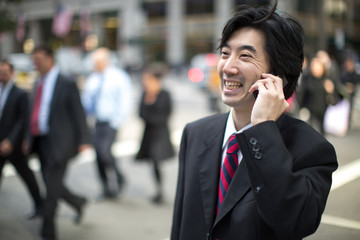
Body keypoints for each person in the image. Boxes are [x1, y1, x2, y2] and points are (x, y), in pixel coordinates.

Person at [170, 2, 338, 240]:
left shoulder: (311, 148)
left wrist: (262, 131)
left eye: (245, 56)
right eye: (225, 53)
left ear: (277, 73)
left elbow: (295, 222)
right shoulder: (195, 133)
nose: (228, 67)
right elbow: (181, 224)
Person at [27, 45, 91, 240]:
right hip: (41, 141)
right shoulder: (37, 82)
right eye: (33, 61)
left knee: (51, 187)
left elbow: (78, 112)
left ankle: (48, 231)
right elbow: (33, 113)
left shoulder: (66, 82)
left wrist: (84, 140)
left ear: (49, 58)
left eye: (38, 60)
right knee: (51, 183)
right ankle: (78, 202)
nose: (35, 64)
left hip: (61, 142)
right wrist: (27, 138)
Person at [82, 47, 133, 199]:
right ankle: (105, 187)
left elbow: (125, 101)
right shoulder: (93, 79)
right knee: (98, 155)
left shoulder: (118, 77)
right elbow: (87, 101)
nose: (94, 65)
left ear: (105, 61)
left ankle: (119, 177)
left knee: (105, 152)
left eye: (97, 62)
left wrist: (118, 121)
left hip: (111, 122)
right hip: (97, 122)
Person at [0, 60, 43, 219]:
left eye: (5, 72)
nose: (2, 75)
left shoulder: (20, 94)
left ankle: (40, 204)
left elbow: (23, 120)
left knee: (27, 177)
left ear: (11, 73)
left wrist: (11, 141)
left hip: (14, 146)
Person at [135, 63, 175, 204]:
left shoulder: (164, 94)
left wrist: (150, 118)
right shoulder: (145, 94)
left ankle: (160, 191)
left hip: (161, 134)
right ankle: (158, 189)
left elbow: (166, 114)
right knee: (152, 162)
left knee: (157, 160)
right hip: (148, 133)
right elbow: (140, 113)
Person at [297, 57, 335, 135]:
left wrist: (331, 91)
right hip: (309, 113)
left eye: (317, 66)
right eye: (313, 66)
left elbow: (333, 99)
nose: (314, 68)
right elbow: (301, 94)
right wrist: (301, 108)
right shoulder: (307, 78)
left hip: (322, 114)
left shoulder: (327, 80)